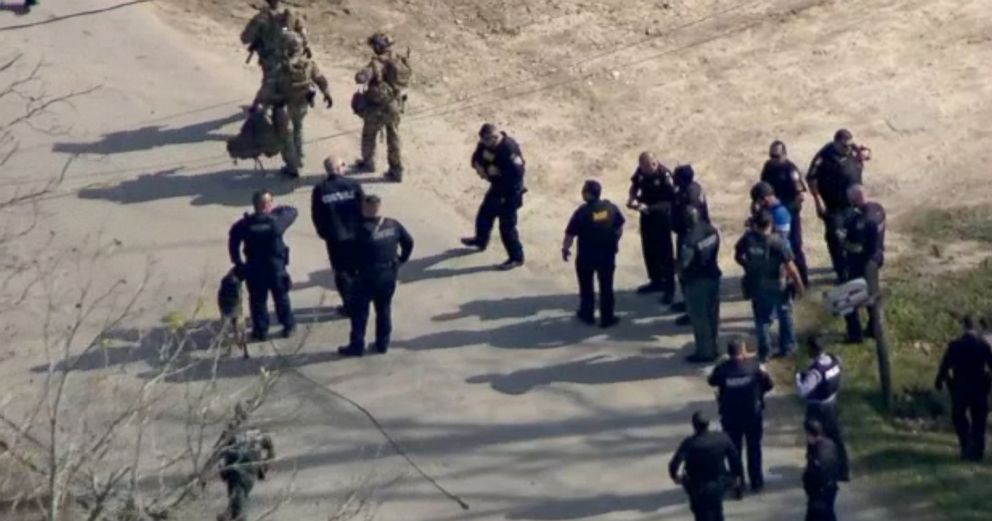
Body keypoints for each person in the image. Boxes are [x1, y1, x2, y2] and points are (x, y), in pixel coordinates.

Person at [339, 195, 414, 357]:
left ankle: (357, 345)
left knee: (360, 312)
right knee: (384, 309)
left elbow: (348, 257)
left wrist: (351, 275)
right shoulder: (392, 224)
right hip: (388, 274)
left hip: (366, 276)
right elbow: (408, 242)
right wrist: (401, 260)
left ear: (365, 208)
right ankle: (382, 343)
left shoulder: (358, 230)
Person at [251, 33, 332, 178]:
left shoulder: (278, 66)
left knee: (285, 137)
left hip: (283, 107)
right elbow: (321, 79)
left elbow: (267, 88)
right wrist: (327, 93)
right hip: (301, 104)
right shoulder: (308, 64)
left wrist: (259, 106)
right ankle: (299, 159)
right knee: (298, 130)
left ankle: (292, 166)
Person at [228, 190, 297, 341]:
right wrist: (274, 211)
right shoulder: (276, 222)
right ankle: (288, 326)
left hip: (254, 268)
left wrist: (238, 263)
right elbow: (292, 211)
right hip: (276, 268)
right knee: (282, 299)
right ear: (267, 204)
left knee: (257, 302)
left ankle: (260, 331)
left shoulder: (244, 224)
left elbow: (233, 242)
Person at [734, 210, 804, 361]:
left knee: (762, 320)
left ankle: (764, 352)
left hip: (756, 284)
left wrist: (748, 266)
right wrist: (799, 286)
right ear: (770, 224)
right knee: (785, 316)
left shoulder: (748, 238)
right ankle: (788, 347)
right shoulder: (778, 242)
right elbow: (791, 268)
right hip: (777, 285)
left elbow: (738, 255)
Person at [708, 339, 774, 492]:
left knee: (734, 451)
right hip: (753, 415)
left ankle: (738, 483)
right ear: (743, 352)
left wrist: (720, 364)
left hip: (730, 417)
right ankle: (757, 482)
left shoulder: (723, 369)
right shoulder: (754, 367)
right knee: (754, 448)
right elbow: (769, 384)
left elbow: (711, 381)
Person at [460, 124, 526, 270]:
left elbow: (518, 173)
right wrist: (482, 168)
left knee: (507, 227)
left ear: (494, 137)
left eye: (487, 141)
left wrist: (498, 173)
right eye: (483, 141)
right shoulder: (485, 144)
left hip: (510, 193)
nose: (484, 144)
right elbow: (476, 158)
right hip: (497, 188)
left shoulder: (509, 149)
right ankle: (481, 241)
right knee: (484, 214)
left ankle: (516, 257)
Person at [806, 129, 868, 282]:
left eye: (849, 145)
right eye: (844, 146)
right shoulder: (824, 156)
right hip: (834, 206)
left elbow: (866, 153)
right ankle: (841, 271)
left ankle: (855, 266)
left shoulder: (853, 149)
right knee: (836, 239)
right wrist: (817, 200)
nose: (848, 148)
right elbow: (811, 178)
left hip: (853, 205)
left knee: (856, 236)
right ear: (836, 143)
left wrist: (864, 155)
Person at [562, 180, 625, 328]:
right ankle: (607, 317)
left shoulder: (583, 212)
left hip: (587, 256)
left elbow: (570, 234)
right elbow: (620, 225)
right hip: (607, 254)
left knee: (586, 286)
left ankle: (587, 314)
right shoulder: (610, 208)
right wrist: (615, 239)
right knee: (606, 286)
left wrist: (565, 249)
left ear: (588, 194)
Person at [311, 156, 365, 316]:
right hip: (355, 234)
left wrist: (323, 233)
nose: (346, 167)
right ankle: (361, 301)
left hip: (335, 237)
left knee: (341, 272)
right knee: (358, 269)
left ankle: (349, 305)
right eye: (344, 164)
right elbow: (364, 207)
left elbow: (317, 214)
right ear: (339, 168)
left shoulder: (320, 189)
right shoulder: (353, 185)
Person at [353, 32, 409, 181]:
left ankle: (368, 162)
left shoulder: (377, 62)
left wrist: (362, 74)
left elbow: (360, 78)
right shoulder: (399, 58)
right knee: (394, 138)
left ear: (378, 46)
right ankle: (396, 170)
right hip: (395, 105)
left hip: (378, 107)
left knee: (369, 134)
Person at [935, 316, 992, 461]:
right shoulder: (983, 345)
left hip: (961, 385)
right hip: (979, 386)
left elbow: (945, 364)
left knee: (959, 415)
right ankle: (978, 450)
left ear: (964, 327)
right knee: (979, 419)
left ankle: (966, 442)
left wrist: (940, 380)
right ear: (975, 328)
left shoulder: (955, 345)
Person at [668, 412, 743, 521]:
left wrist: (676, 477)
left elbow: (674, 464)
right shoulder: (722, 438)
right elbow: (735, 459)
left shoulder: (690, 443)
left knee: (701, 514)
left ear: (694, 425)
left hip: (697, 486)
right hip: (719, 483)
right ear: (708, 424)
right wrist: (736, 477)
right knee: (717, 511)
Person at [796, 337, 850, 481]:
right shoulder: (833, 360)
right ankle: (844, 471)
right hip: (832, 403)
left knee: (813, 439)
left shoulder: (816, 371)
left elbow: (803, 392)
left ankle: (815, 469)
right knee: (837, 438)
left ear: (812, 350)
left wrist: (798, 378)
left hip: (817, 408)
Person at [626, 152, 677, 302]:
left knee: (665, 252)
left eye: (648, 166)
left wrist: (649, 208)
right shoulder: (641, 171)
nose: (645, 170)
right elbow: (634, 185)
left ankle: (669, 287)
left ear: (655, 163)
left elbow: (670, 201)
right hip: (646, 215)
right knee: (648, 248)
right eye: (642, 167)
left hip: (661, 217)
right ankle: (655, 280)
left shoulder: (665, 175)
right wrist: (632, 198)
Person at [839, 184, 886, 343]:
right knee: (872, 295)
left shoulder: (859, 221)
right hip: (877, 257)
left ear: (856, 198)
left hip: (861, 263)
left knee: (848, 298)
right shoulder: (879, 209)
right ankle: (874, 328)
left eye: (850, 198)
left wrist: (842, 240)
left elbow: (855, 246)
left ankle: (854, 333)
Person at [760, 140, 809, 285]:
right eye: (771, 155)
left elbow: (800, 196)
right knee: (776, 247)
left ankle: (802, 278)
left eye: (777, 156)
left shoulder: (790, 170)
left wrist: (785, 212)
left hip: (789, 213)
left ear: (785, 155)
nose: (773, 159)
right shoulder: (768, 167)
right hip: (773, 213)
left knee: (794, 245)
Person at [679, 206, 722, 362]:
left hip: (697, 281)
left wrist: (681, 274)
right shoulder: (711, 230)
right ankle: (714, 346)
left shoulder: (689, 239)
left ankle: (705, 352)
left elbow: (685, 262)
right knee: (712, 314)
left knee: (699, 317)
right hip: (713, 275)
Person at [671, 164, 710, 322]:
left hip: (691, 236)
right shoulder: (692, 188)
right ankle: (688, 303)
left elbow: (689, 217)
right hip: (689, 234)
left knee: (689, 273)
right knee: (687, 275)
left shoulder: (690, 195)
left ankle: (693, 310)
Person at [240, 0, 309, 81]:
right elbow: (304, 35)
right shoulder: (292, 13)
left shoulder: (261, 17)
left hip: (272, 65)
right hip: (295, 62)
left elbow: (245, 39)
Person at [217, 427, 276, 521]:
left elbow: (219, 452)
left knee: (238, 495)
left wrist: (222, 471)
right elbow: (270, 449)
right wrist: (263, 469)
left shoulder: (232, 432)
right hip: (245, 470)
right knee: (239, 495)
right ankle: (234, 515)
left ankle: (233, 515)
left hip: (237, 469)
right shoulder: (258, 435)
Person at [803, 419, 841, 521]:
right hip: (832, 488)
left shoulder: (815, 454)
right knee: (829, 514)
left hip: (818, 493)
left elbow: (811, 476)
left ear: (810, 434)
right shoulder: (831, 444)